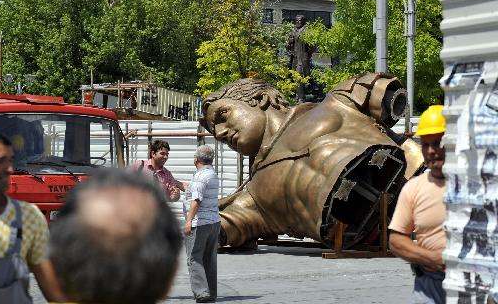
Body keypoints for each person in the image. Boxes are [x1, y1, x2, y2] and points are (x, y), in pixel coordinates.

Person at [200, 74, 425, 248]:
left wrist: (380, 94)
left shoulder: (335, 104)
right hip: (362, 231)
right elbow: (234, 222)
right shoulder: (254, 194)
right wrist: (211, 231)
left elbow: (382, 93)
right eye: (214, 131)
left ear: (260, 98)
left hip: (416, 185)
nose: (220, 133)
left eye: (223, 116)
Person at [49, 169, 182, 304]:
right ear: (171, 275)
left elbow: (173, 196)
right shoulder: (139, 166)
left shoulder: (167, 174)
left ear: (54, 267)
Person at [0, 130, 63, 303]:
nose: (10, 169)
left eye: (11, 161)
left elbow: (55, 294)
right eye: (0, 162)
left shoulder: (29, 217)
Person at [389, 105, 447, 304]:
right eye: (425, 144)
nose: (430, 151)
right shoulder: (414, 188)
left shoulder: (483, 185)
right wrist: (431, 258)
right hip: (429, 287)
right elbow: (396, 240)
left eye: (438, 143)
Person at [183, 145, 220, 303]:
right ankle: (210, 292)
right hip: (214, 222)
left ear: (196, 159)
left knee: (194, 258)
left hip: (200, 223)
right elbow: (197, 190)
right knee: (209, 258)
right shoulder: (211, 174)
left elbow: (196, 200)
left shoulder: (200, 176)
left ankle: (201, 292)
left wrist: (189, 220)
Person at [287, 14, 314, 102]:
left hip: (302, 58)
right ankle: (297, 96)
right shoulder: (293, 31)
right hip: (294, 58)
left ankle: (301, 98)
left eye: (300, 20)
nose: (298, 22)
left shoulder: (306, 32)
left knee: (299, 77)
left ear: (303, 22)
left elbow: (313, 46)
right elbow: (288, 47)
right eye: (297, 20)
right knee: (295, 77)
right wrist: (289, 42)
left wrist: (307, 55)